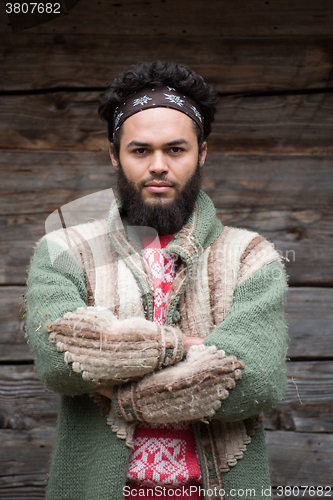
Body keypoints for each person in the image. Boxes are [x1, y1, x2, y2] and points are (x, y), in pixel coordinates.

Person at [25, 61, 288, 500]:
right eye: (141, 150)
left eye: (176, 149)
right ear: (115, 156)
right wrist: (187, 349)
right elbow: (59, 360)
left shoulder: (250, 256)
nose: (159, 165)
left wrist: (116, 382)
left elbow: (254, 382)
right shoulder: (62, 251)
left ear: (202, 153)